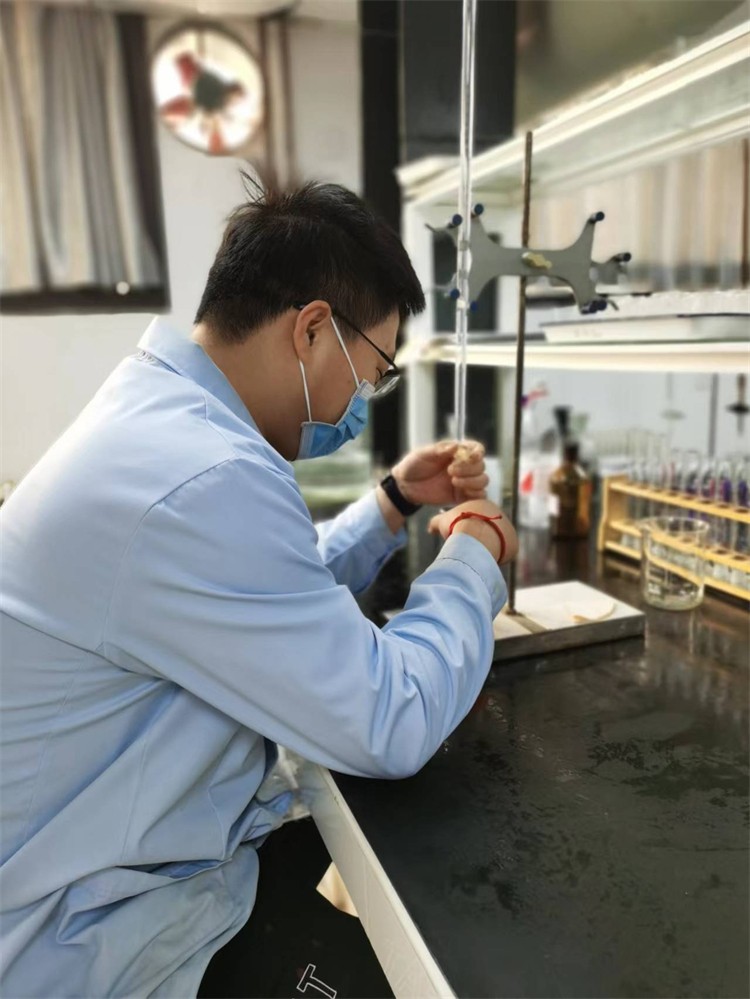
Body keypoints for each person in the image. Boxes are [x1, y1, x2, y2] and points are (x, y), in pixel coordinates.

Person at [0, 179, 518, 998]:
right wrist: (475, 552)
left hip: (105, 864)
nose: (360, 404)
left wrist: (391, 501)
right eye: (371, 373)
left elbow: (260, 592)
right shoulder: (206, 477)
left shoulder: (162, 423)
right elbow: (393, 716)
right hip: (89, 937)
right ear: (311, 330)